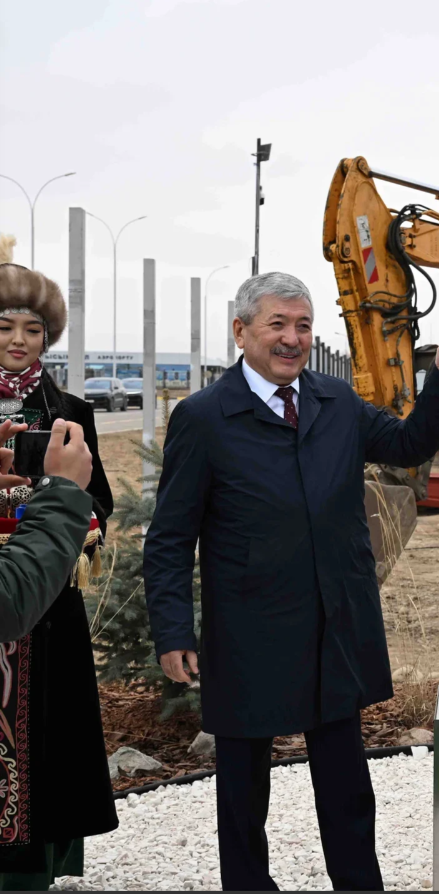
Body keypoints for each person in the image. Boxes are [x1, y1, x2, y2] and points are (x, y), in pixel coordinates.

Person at [144, 271, 439, 891]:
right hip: (248, 628)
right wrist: (172, 631)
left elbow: (408, 444)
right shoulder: (204, 418)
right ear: (241, 331)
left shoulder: (336, 401)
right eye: (277, 324)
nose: (292, 339)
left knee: (346, 783)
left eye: (303, 325)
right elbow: (169, 536)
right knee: (242, 788)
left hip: (334, 622)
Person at [0, 264, 116, 890]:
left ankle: (41, 866)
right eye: (4, 327)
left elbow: (98, 498)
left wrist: (74, 515)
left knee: (48, 738)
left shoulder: (70, 411)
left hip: (49, 601)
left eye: (32, 329)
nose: (18, 340)